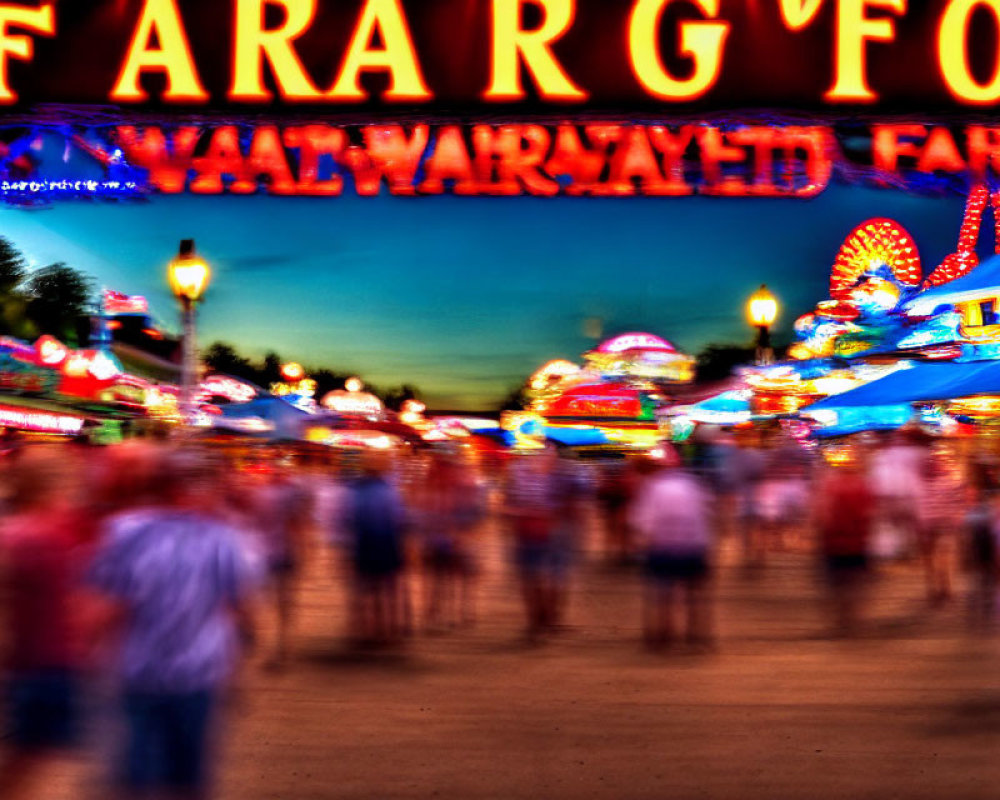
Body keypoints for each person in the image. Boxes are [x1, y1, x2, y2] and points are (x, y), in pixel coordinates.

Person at [87, 447, 263, 800]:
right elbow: (240, 610)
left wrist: (91, 654)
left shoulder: (125, 531)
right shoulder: (223, 539)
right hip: (195, 675)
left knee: (137, 775)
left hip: (140, 672)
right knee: (187, 774)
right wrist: (240, 665)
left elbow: (106, 606)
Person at [0, 446, 92, 800]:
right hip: (47, 667)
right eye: (66, 478)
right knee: (29, 758)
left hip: (40, 665)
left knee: (28, 759)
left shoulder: (25, 531)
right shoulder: (38, 535)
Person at [629, 445, 714, 650]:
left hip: (663, 548)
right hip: (693, 546)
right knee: (694, 595)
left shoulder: (653, 487)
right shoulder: (694, 484)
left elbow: (644, 522)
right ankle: (697, 637)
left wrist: (640, 545)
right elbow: (707, 513)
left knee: (662, 595)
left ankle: (662, 637)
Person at [343, 449, 409, 645]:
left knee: (367, 588)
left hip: (366, 543)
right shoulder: (389, 490)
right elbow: (399, 518)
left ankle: (367, 630)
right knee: (384, 589)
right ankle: (383, 630)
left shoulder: (356, 489)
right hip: (384, 542)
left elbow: (347, 518)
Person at [814, 449, 875, 637]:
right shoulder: (863, 486)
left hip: (834, 542)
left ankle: (842, 619)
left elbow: (822, 514)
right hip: (858, 542)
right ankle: (855, 618)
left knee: (838, 584)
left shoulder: (830, 486)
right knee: (856, 583)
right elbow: (869, 514)